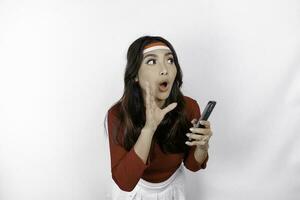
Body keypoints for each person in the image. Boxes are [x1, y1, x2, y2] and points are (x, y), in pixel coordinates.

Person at [104, 35, 213, 200]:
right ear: (135, 75)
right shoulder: (118, 114)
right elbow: (125, 183)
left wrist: (202, 147)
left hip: (173, 187)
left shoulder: (189, 107)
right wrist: (149, 128)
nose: (165, 69)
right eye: (151, 62)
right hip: (134, 191)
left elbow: (192, 165)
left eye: (170, 60)